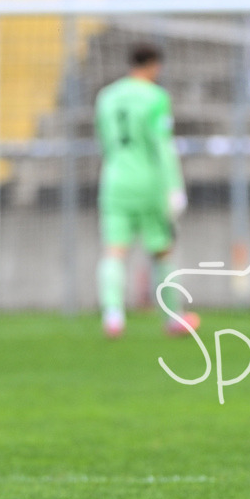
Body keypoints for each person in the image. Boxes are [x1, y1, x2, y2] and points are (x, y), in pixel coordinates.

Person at [94, 43, 199, 338]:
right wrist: (175, 188)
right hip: (149, 183)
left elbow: (103, 140)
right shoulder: (155, 97)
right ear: (154, 65)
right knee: (162, 251)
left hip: (114, 180)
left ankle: (113, 315)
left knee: (114, 251)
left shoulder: (107, 96)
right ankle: (173, 318)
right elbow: (163, 146)